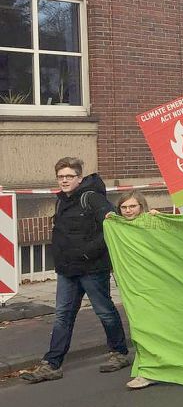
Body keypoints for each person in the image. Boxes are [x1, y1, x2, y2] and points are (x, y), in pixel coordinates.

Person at [22, 158, 130, 384]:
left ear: (79, 178)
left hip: (92, 269)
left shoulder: (91, 198)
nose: (64, 181)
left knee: (104, 311)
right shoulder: (61, 201)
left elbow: (112, 226)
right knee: (62, 315)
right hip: (67, 270)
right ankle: (52, 364)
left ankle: (119, 352)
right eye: (61, 177)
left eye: (69, 176)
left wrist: (86, 252)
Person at [110, 190, 158, 390]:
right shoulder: (117, 227)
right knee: (139, 328)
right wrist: (111, 221)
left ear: (141, 207)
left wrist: (158, 219)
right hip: (133, 286)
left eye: (132, 206)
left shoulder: (152, 223)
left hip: (155, 285)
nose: (128, 211)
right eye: (124, 207)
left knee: (155, 327)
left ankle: (153, 369)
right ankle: (148, 369)